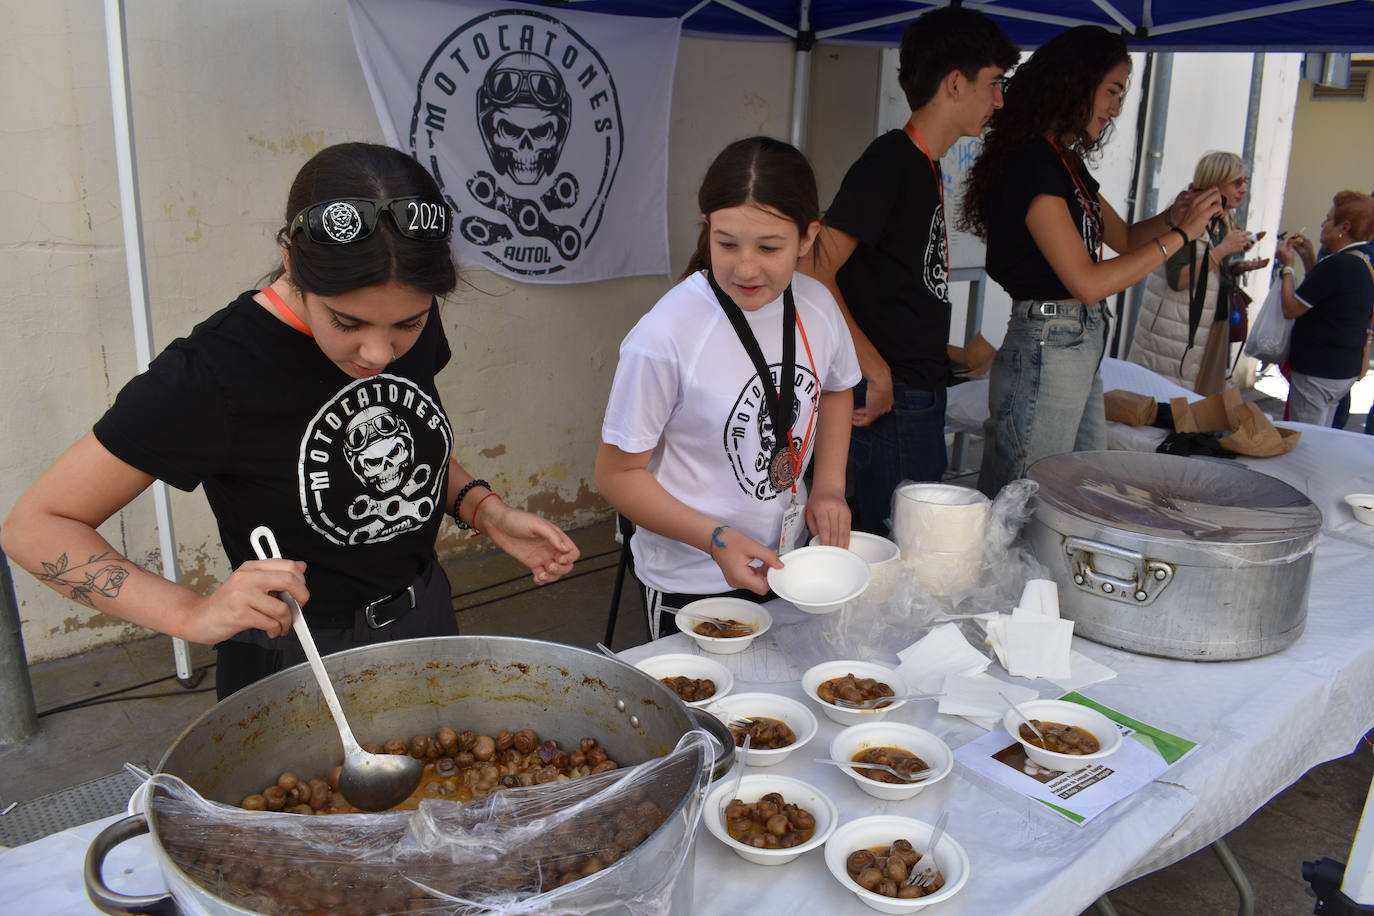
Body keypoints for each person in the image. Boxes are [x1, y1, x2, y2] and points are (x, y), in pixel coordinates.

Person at [1, 142, 580, 699]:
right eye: (347, 322)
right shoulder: (213, 370)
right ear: (290, 261)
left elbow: (412, 436)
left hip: (424, 609)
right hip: (297, 647)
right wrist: (191, 613)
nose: (378, 354)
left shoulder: (406, 315)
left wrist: (484, 510)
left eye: (407, 323)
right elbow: (37, 526)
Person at [595, 137, 860, 642]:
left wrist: (827, 486)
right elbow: (616, 476)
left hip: (792, 562)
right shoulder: (664, 336)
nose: (745, 267)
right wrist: (714, 539)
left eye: (769, 247)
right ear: (707, 227)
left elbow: (838, 388)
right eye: (726, 242)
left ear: (808, 237)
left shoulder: (818, 304)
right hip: (693, 578)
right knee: (706, 717)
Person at [959, 26, 1223, 496]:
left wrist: (1173, 217)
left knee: (1074, 489)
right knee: (1027, 497)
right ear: (1074, 82)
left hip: (1073, 342)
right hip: (1050, 341)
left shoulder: (1063, 162)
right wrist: (1183, 235)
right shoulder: (1032, 163)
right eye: (1113, 91)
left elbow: (1122, 238)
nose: (1116, 108)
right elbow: (1088, 282)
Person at [803, 7, 1019, 536]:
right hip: (889, 398)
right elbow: (811, 268)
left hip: (915, 392)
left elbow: (896, 285)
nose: (998, 100)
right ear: (954, 83)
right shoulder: (891, 160)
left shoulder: (921, 165)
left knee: (909, 551)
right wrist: (874, 368)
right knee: (896, 554)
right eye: (993, 83)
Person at [1127, 151, 1269, 392]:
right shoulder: (1190, 215)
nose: (1244, 189)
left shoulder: (1221, 216)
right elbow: (1179, 279)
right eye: (1237, 182)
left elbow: (1208, 272)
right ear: (1216, 182)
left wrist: (1235, 267)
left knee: (1193, 403)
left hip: (1200, 329)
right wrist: (1223, 250)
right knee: (1163, 404)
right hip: (1173, 332)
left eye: (1245, 181)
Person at [1274, 191, 1374, 426]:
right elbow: (1327, 296)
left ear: (1344, 227)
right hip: (1342, 368)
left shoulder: (1337, 264)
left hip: (1317, 370)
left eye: (1329, 219)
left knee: (1307, 439)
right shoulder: (1362, 260)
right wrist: (1309, 258)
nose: (1323, 224)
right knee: (1323, 433)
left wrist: (1287, 266)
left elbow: (1291, 308)